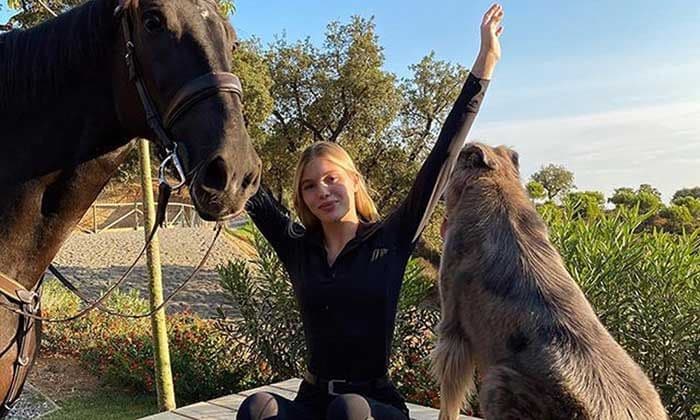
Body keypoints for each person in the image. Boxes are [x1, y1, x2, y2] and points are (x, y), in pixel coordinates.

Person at [237, 4, 503, 419]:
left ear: (355, 181)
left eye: (331, 179)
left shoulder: (391, 238)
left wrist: (484, 65)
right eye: (309, 186)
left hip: (372, 407)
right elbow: (243, 181)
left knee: (349, 411)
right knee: (258, 408)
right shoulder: (299, 249)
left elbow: (442, 156)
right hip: (314, 400)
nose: (322, 191)